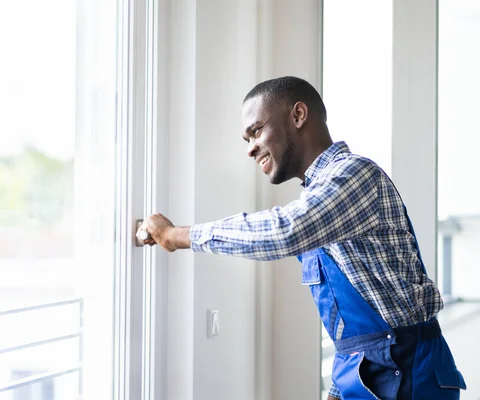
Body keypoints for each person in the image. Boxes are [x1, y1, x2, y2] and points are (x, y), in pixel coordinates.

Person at [138, 76, 467, 400]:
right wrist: (339, 389)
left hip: (412, 375)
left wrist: (175, 235)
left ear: (298, 115)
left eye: (256, 131)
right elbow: (351, 330)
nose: (251, 148)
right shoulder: (320, 201)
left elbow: (285, 232)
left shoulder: (355, 175)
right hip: (366, 377)